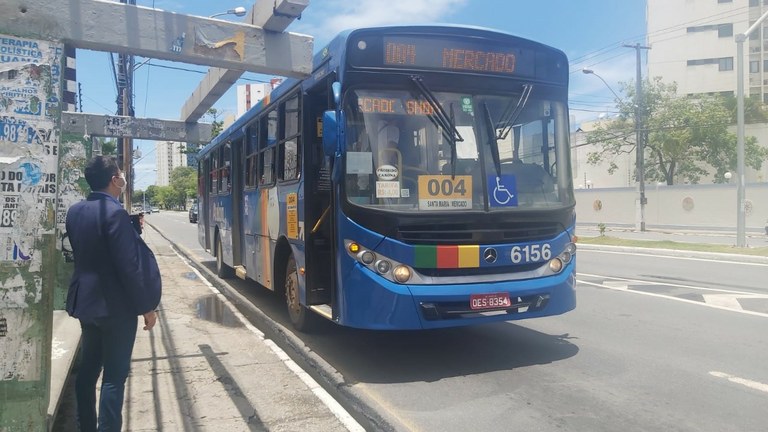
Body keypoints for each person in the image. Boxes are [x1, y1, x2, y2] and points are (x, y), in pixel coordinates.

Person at [65, 156, 158, 432]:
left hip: (86, 304)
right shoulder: (115, 213)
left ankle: (86, 426)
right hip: (115, 307)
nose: (122, 179)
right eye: (120, 175)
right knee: (114, 377)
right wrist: (147, 307)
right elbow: (129, 266)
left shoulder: (74, 211)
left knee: (89, 368)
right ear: (114, 180)